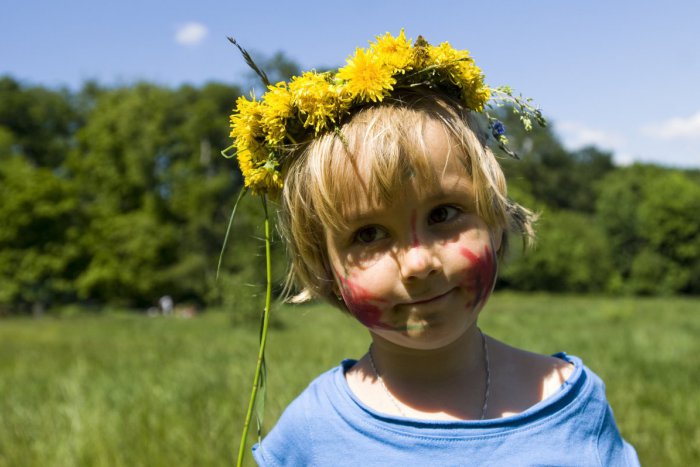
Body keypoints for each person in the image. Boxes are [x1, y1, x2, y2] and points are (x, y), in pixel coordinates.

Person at [228, 31, 639, 466]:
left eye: (443, 214)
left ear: (495, 219)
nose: (418, 263)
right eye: (368, 234)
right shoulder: (308, 436)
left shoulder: (574, 406)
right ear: (323, 263)